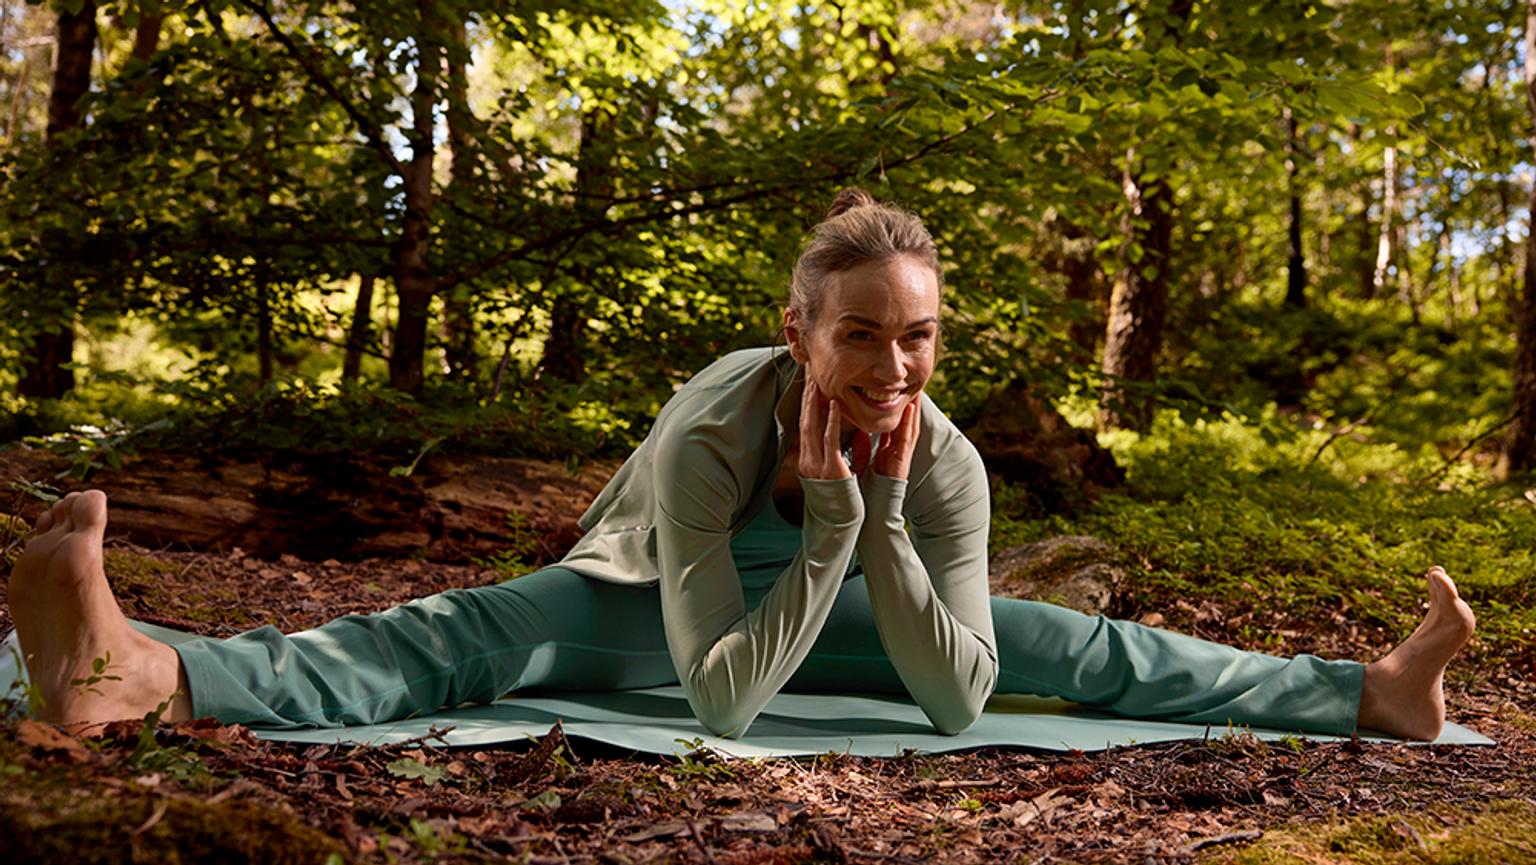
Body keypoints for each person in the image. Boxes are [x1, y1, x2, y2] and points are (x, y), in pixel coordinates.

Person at [7, 189, 1474, 743]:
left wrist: (881, 510)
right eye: (860, 338)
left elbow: (960, 697)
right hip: (653, 593)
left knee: (1091, 649)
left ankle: (1374, 691)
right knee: (449, 639)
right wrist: (832, 518)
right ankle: (145, 670)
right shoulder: (721, 420)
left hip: (860, 570)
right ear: (798, 333)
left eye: (920, 337)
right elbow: (718, 696)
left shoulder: (945, 457)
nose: (895, 370)